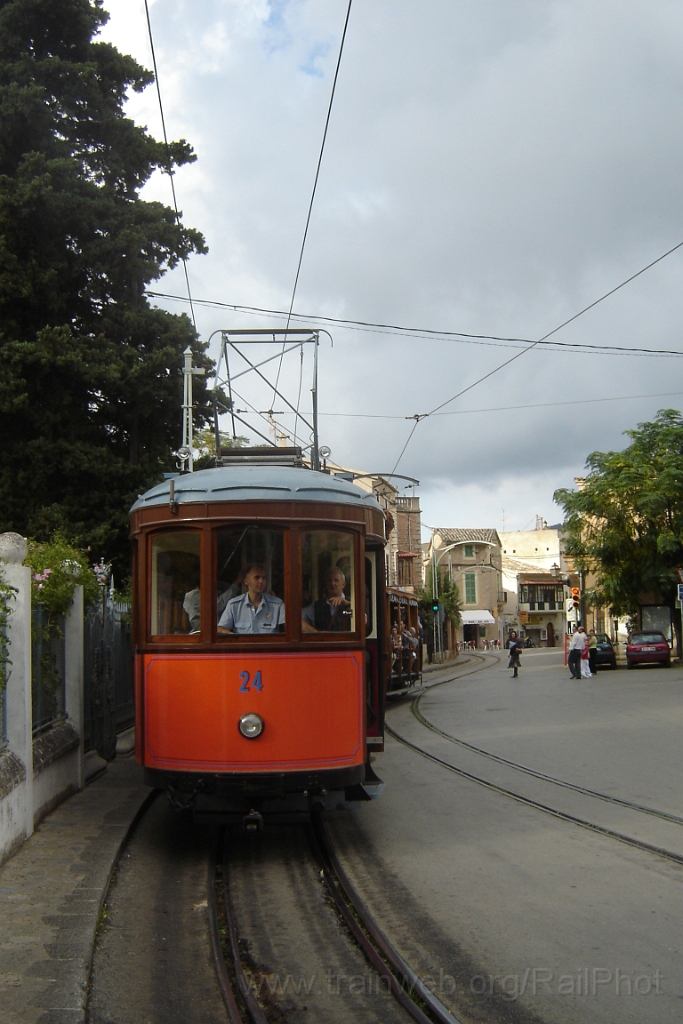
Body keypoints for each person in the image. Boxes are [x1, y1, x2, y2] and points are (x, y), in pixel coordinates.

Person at [217, 564, 285, 634]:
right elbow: (220, 628)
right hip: (243, 645)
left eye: (264, 578)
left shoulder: (277, 605)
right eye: (257, 577)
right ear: (246, 581)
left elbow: (288, 630)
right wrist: (230, 635)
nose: (261, 581)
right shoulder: (234, 605)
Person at [302, 567, 351, 632]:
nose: (332, 583)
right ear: (325, 584)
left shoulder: (352, 602)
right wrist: (317, 634)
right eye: (329, 580)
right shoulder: (317, 606)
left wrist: (348, 605)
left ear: (343, 584)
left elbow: (363, 621)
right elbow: (296, 619)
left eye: (336, 580)